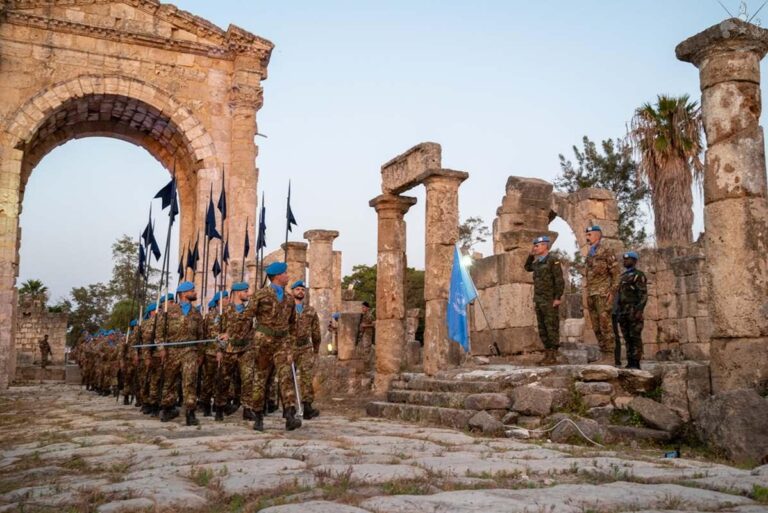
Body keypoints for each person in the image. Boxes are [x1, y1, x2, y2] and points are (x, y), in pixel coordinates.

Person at [240, 262, 301, 432]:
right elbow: (247, 316)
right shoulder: (260, 294)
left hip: (282, 342)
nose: (288, 275)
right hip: (263, 342)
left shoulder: (289, 299)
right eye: (285, 273)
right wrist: (235, 335)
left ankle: (290, 415)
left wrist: (292, 344)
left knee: (285, 375)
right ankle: (258, 415)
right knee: (261, 378)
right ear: (277, 276)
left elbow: (292, 323)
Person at [158, 282, 203, 425]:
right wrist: (161, 349)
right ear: (183, 293)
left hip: (190, 351)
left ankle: (190, 412)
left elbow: (201, 335)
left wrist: (200, 353)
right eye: (192, 290)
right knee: (170, 381)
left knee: (190, 381)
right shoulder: (169, 310)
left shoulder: (196, 313)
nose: (195, 293)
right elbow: (159, 333)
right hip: (172, 351)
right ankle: (167, 408)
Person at [524, 235, 565, 365]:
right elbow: (527, 267)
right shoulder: (536, 263)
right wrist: (531, 255)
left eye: (537, 245)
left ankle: (553, 355)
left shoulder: (553, 260)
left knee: (551, 327)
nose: (535, 248)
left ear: (545, 246)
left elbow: (559, 280)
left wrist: (557, 297)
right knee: (542, 328)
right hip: (539, 300)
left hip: (549, 300)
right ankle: (547, 354)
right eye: (534, 246)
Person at [584, 225, 620, 364]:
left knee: (606, 325)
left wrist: (612, 291)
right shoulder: (590, 253)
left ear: (598, 235)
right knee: (596, 326)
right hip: (592, 295)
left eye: (590, 235)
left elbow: (616, 273)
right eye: (587, 235)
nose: (587, 237)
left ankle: (610, 356)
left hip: (603, 293)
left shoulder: (606, 251)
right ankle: (603, 354)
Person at [290, 280, 321, 419]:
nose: (300, 291)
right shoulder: (286, 309)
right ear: (292, 292)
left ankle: (307, 406)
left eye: (303, 289)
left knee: (306, 377)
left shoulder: (310, 310)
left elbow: (316, 331)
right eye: (297, 289)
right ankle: (289, 407)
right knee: (288, 377)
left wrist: (316, 349)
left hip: (305, 347)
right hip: (290, 347)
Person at [616, 251, 648, 369]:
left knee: (635, 336)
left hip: (633, 310)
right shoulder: (622, 276)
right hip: (623, 311)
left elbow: (643, 294)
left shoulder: (638, 275)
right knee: (627, 337)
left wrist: (639, 310)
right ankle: (630, 362)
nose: (625, 261)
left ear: (634, 261)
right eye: (624, 260)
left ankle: (636, 362)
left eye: (628, 259)